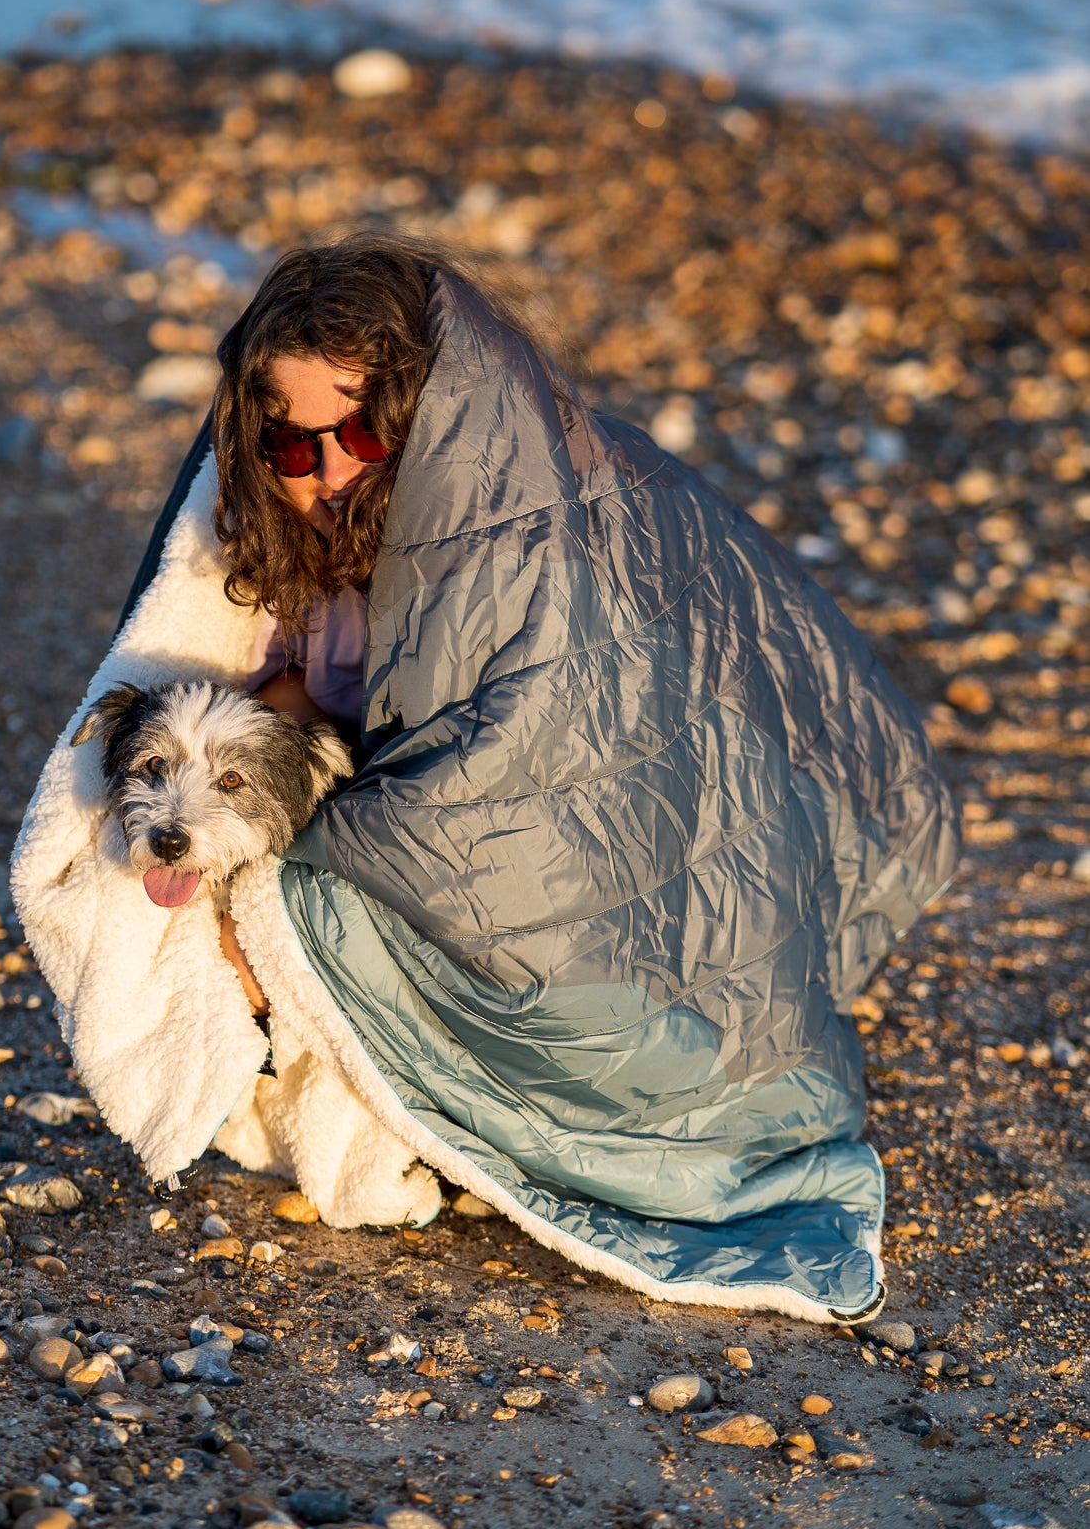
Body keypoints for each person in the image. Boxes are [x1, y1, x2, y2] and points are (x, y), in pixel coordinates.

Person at [110, 231, 961, 1320]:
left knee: (295, 892)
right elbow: (263, 688)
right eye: (288, 444)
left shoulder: (526, 527)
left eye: (361, 430)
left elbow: (539, 760)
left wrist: (302, 846)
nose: (325, 471)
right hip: (454, 814)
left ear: (428, 409)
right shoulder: (306, 545)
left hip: (612, 871)